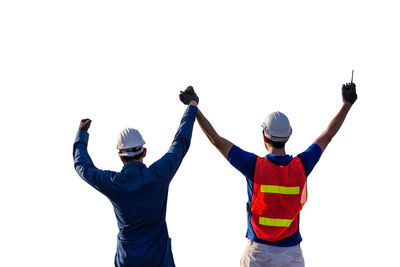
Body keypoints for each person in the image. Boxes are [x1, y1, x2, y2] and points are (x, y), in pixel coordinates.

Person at [181, 82, 357, 266]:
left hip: (258, 254)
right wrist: (347, 103)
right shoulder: (302, 165)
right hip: (291, 255)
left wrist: (194, 106)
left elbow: (216, 140)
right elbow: (327, 135)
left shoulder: (254, 166)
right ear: (288, 137)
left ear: (264, 136)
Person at [72, 92, 198, 267]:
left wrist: (81, 135)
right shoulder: (159, 174)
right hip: (159, 260)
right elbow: (181, 142)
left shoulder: (113, 183)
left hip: (127, 261)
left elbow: (83, 167)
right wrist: (192, 105)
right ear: (144, 152)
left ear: (120, 157)